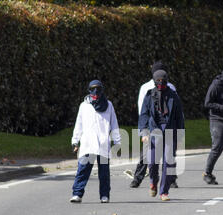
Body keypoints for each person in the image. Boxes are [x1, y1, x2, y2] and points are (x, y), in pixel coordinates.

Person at [70, 80, 121, 203]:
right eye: (93, 88)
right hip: (88, 143)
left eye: (98, 88)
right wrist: (75, 141)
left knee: (104, 172)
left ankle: (104, 195)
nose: (96, 91)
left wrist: (117, 141)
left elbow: (114, 124)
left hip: (103, 143)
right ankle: (77, 194)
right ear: (89, 90)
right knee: (83, 170)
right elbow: (79, 125)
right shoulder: (84, 106)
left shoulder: (108, 105)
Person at [130, 61, 179, 189]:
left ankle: (171, 179)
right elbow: (143, 109)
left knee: (169, 155)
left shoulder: (171, 88)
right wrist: (144, 129)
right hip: (152, 125)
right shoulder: (146, 88)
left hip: (167, 126)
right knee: (147, 155)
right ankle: (138, 177)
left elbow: (176, 108)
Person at [138, 69, 184, 201]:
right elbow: (144, 115)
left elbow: (179, 117)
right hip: (154, 130)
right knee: (152, 161)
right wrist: (144, 132)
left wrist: (180, 136)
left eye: (163, 80)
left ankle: (164, 192)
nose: (160, 83)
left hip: (170, 131)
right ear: (154, 81)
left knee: (168, 163)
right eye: (158, 80)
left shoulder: (174, 96)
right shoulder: (149, 95)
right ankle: (153, 182)